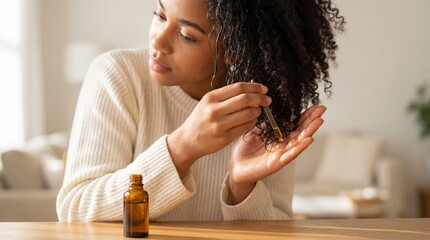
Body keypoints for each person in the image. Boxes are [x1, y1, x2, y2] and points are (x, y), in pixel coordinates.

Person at [57, 0, 344, 221]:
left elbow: (279, 229)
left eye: (185, 35)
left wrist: (241, 187)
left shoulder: (268, 108)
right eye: (159, 15)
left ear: (233, 49)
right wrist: (182, 147)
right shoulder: (117, 76)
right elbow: (75, 210)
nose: (157, 41)